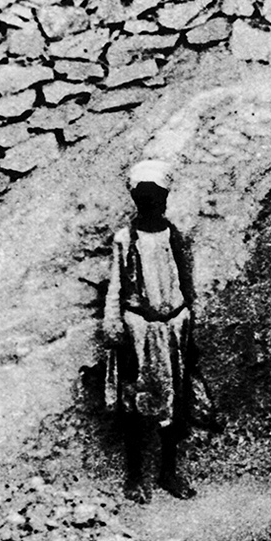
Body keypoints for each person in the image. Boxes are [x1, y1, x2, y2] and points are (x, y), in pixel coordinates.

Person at [104, 159, 198, 502]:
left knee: (175, 401)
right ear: (135, 199)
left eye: (156, 196)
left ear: (166, 198)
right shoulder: (125, 239)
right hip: (139, 330)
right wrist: (115, 327)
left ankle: (168, 472)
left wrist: (190, 323)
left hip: (173, 328)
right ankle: (134, 476)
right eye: (143, 196)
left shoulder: (175, 236)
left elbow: (186, 282)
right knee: (135, 400)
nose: (150, 202)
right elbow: (116, 286)